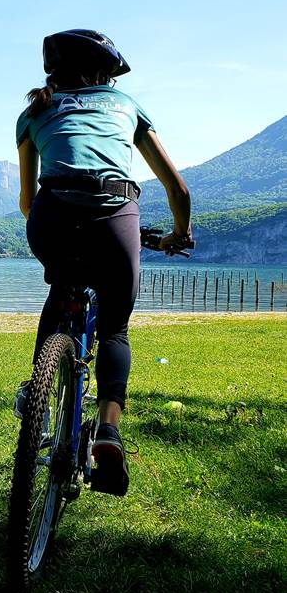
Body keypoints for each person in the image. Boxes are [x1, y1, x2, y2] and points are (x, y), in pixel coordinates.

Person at [14, 29, 191, 495]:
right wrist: (178, 233)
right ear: (100, 73)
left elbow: (27, 201)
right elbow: (179, 190)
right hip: (115, 217)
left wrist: (56, 224)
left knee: (62, 289)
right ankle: (108, 430)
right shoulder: (126, 106)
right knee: (114, 328)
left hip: (50, 218)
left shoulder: (34, 112)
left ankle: (38, 390)